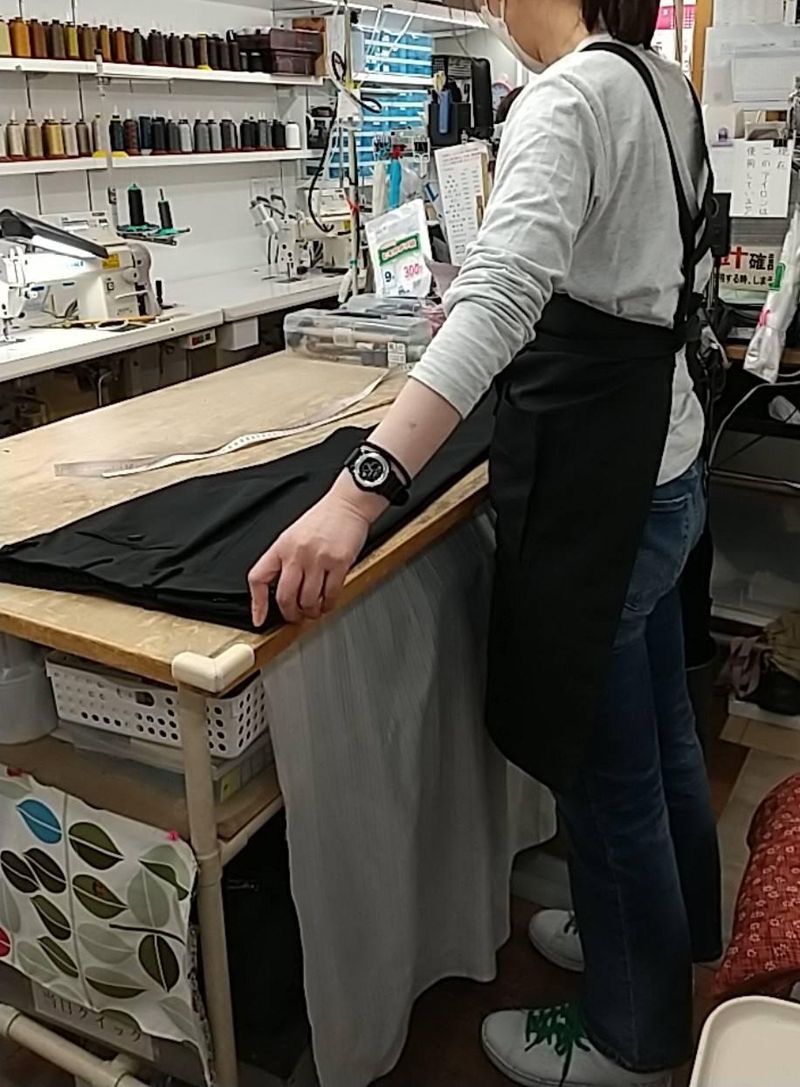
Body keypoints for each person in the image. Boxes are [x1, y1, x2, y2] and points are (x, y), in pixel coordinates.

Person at [248, 1, 722, 1085]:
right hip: (664, 464)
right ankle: (670, 937)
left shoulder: (569, 95)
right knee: (661, 740)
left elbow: (502, 296)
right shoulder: (660, 83)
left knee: (608, 776)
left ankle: (634, 1035)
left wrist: (359, 493)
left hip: (605, 490)